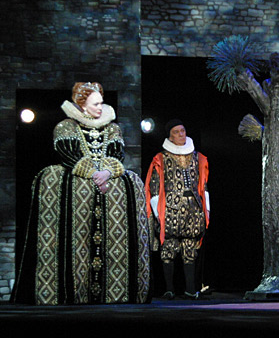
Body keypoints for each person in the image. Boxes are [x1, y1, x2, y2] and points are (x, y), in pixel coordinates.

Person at [11, 82, 151, 305]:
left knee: (132, 181)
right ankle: (68, 288)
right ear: (82, 105)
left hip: (106, 173)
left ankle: (119, 289)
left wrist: (106, 173)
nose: (100, 107)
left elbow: (117, 153)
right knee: (52, 178)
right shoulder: (66, 126)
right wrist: (93, 174)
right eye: (95, 104)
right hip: (78, 173)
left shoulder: (112, 128)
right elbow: (68, 154)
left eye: (101, 103)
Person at [145, 119, 210, 300]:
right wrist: (157, 212)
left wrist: (207, 209)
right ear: (170, 136)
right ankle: (169, 289)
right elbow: (155, 185)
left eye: (183, 130)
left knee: (190, 248)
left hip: (193, 208)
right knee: (169, 247)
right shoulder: (161, 158)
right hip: (171, 208)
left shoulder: (197, 157)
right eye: (176, 132)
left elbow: (203, 184)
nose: (181, 134)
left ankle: (190, 289)